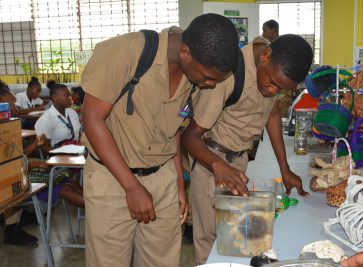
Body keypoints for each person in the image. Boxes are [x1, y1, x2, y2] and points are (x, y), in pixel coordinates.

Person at [80, 13, 239, 267]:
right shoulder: (126, 51)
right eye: (208, 78)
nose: (209, 85)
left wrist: (177, 183)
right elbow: (91, 119)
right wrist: (132, 187)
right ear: (185, 52)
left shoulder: (193, 76)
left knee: (162, 261)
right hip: (113, 181)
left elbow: (173, 130)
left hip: (162, 178)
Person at [181, 34, 313, 264]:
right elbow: (189, 137)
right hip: (211, 163)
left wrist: (285, 169)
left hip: (238, 162)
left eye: (281, 90)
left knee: (235, 235)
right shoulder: (229, 76)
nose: (273, 91)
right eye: (272, 83)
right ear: (264, 56)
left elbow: (271, 113)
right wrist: (218, 165)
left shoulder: (272, 73)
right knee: (211, 239)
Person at [34, 80, 81, 156]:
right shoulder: (46, 119)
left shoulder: (72, 113)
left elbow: (78, 136)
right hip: (59, 158)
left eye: (70, 95)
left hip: (76, 153)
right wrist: (65, 151)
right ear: (55, 98)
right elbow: (45, 150)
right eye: (66, 95)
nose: (70, 98)